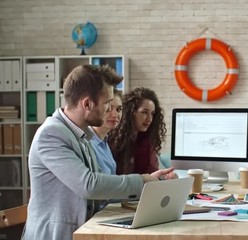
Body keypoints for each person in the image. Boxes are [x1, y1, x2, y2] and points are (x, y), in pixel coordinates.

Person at [22, 65, 175, 240]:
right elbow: (89, 185)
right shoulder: (51, 134)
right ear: (87, 103)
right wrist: (143, 181)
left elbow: (103, 190)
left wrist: (151, 186)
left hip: (83, 230)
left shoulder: (82, 134)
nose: (111, 109)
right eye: (107, 103)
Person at [108, 87, 175, 177]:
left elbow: (153, 173)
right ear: (131, 112)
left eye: (152, 113)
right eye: (144, 112)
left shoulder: (147, 141)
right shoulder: (111, 140)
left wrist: (166, 178)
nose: (149, 119)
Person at [90, 89, 122, 174]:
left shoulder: (104, 141)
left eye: (118, 109)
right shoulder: (88, 143)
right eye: (109, 109)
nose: (115, 115)